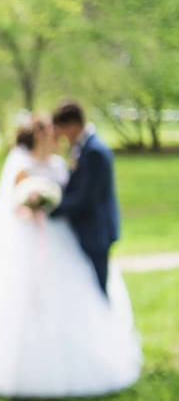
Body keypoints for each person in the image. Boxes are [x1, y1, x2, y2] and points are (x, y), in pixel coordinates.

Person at [0, 116, 141, 398]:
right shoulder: (20, 163)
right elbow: (14, 207)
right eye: (50, 134)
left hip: (63, 238)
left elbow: (73, 194)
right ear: (39, 137)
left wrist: (51, 206)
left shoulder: (58, 164)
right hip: (29, 240)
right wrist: (34, 206)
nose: (57, 137)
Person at [49, 100, 120, 296]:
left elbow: (86, 197)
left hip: (96, 230)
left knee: (98, 288)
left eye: (62, 129)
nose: (62, 135)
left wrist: (51, 208)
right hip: (89, 229)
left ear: (72, 125)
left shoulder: (94, 151)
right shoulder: (83, 147)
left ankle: (106, 324)